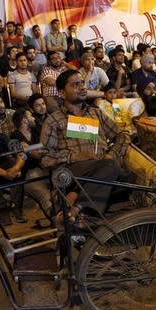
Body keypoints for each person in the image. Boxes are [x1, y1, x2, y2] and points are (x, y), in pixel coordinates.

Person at [40, 69, 130, 225]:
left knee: (130, 178)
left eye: (82, 83)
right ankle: (78, 208)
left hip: (102, 166)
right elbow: (45, 157)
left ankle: (76, 200)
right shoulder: (53, 120)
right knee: (110, 168)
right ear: (61, 93)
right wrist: (74, 157)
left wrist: (113, 153)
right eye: (75, 85)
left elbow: (123, 133)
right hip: (72, 170)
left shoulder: (96, 113)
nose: (82, 88)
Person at [10, 109, 53, 220]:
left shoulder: (37, 130)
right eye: (31, 116)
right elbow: (38, 154)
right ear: (25, 121)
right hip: (30, 174)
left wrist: (29, 149)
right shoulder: (15, 136)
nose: (34, 118)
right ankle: (58, 220)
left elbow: (45, 149)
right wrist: (38, 151)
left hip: (47, 168)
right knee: (45, 196)